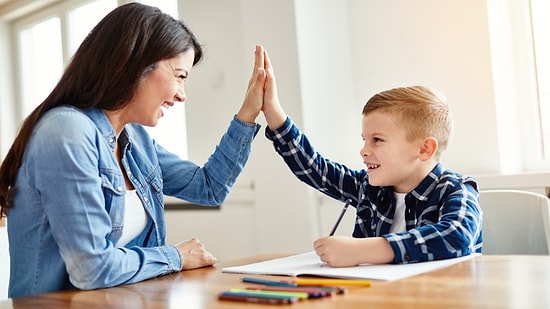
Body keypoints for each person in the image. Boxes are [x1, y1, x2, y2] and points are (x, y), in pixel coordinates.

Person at [0, 3, 268, 298]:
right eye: (179, 75)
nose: (182, 94)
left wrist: (248, 113)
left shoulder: (135, 139)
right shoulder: (67, 133)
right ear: (136, 63)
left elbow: (209, 188)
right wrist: (176, 256)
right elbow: (93, 269)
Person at [259, 51, 482, 266]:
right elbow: (315, 169)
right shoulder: (369, 187)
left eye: (377, 140)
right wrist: (272, 111)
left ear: (424, 149)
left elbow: (457, 236)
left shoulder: (456, 189)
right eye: (364, 140)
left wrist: (360, 251)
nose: (364, 150)